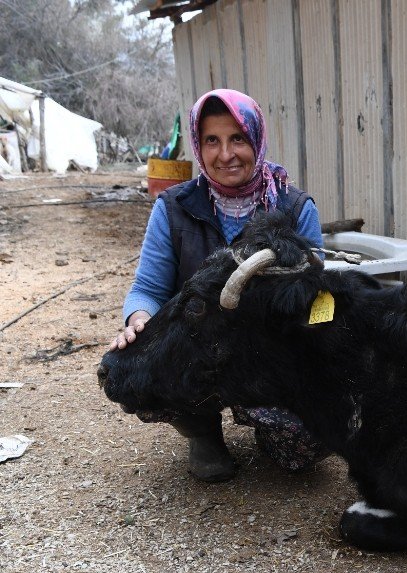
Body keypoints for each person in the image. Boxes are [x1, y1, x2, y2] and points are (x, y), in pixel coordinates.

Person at [109, 89, 327, 482]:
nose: (225, 154)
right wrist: (139, 318)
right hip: (200, 351)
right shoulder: (174, 207)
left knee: (301, 449)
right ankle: (201, 430)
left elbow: (313, 297)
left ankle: (265, 422)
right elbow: (147, 287)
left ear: (256, 140)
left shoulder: (295, 208)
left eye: (237, 139)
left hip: (265, 359)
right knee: (138, 367)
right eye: (212, 140)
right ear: (198, 145)